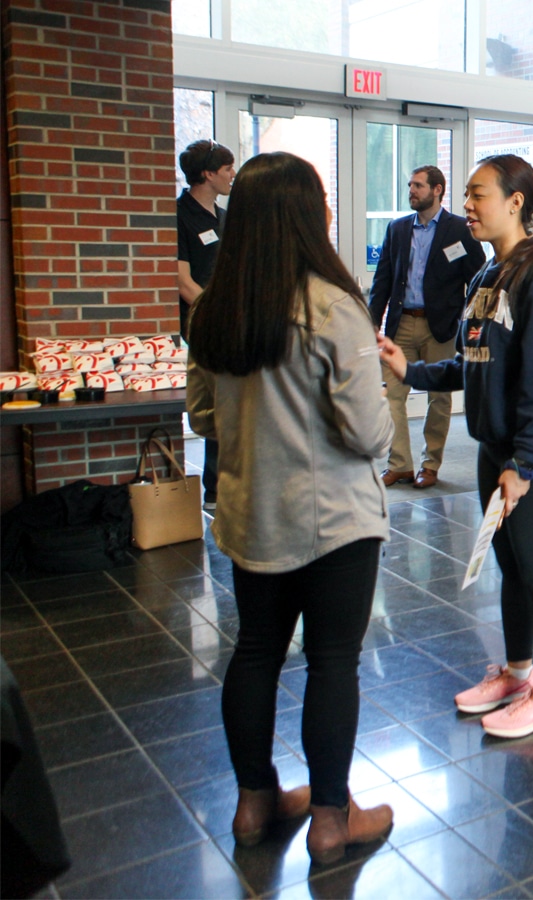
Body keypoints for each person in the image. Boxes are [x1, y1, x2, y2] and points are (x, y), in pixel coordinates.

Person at [186, 152, 394, 863]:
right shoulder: (333, 307)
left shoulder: (218, 305)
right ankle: (333, 820)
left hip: (250, 515)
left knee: (254, 654)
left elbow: (202, 418)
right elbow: (368, 432)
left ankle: (254, 804)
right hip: (334, 520)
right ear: (309, 216)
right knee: (334, 661)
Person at [379, 154, 533, 739]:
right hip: (495, 448)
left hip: (532, 456)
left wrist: (522, 464)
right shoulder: (487, 275)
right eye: (465, 196)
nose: (467, 206)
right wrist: (411, 370)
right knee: (511, 567)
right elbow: (475, 364)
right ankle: (519, 673)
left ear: (515, 202)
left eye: (477, 195)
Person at [368, 165, 485, 489]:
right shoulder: (398, 229)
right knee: (391, 395)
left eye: (418, 186)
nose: (411, 191)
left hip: (441, 327)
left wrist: (466, 324)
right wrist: (372, 323)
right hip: (401, 324)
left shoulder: (460, 229)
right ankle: (400, 464)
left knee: (439, 398)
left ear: (437, 190)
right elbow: (382, 281)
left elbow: (477, 281)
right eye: (410, 185)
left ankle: (430, 465)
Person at [176, 139, 234, 512]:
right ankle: (214, 487)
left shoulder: (226, 217)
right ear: (208, 173)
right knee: (215, 400)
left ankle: (232, 481)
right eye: (228, 168)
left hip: (232, 320)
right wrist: (215, 312)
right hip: (204, 322)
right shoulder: (180, 215)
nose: (233, 175)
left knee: (235, 397)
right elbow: (182, 281)